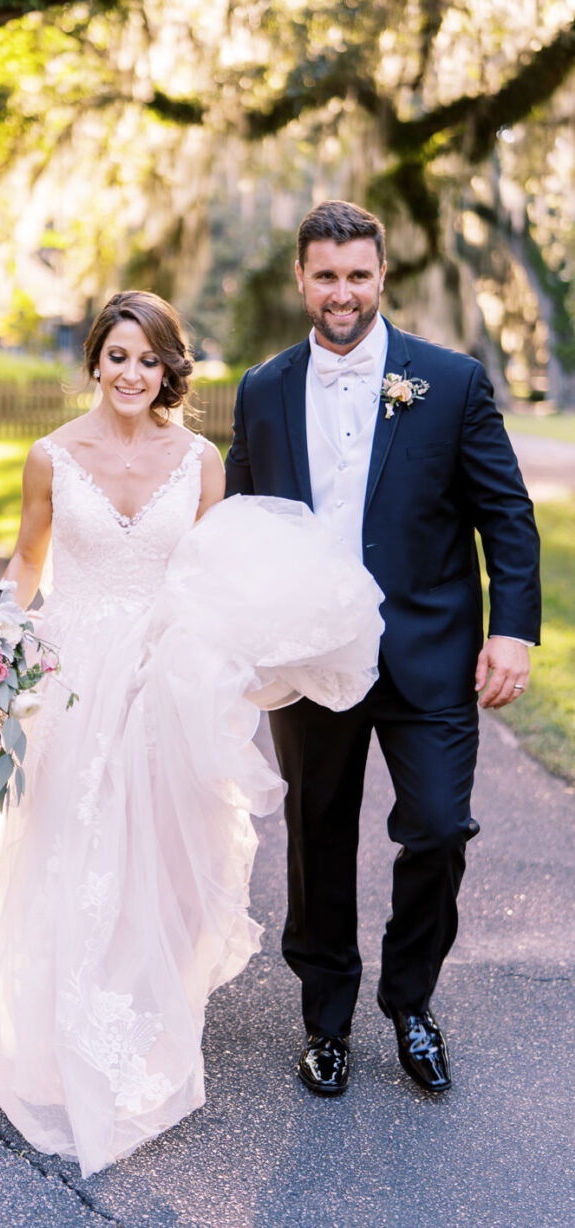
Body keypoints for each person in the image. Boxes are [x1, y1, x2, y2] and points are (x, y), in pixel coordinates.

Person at [0, 290, 384, 1176]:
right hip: (75, 674)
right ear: (94, 361)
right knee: (72, 840)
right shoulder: (49, 458)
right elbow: (28, 559)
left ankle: (143, 1001)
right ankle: (66, 1017)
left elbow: (210, 573)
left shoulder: (201, 460)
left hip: (165, 674)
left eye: (148, 360)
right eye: (117, 356)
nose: (131, 374)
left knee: (164, 845)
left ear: (169, 370)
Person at [225, 199, 542, 1097]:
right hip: (307, 658)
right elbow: (244, 524)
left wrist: (511, 628)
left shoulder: (449, 380)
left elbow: (504, 516)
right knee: (315, 837)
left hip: (428, 652)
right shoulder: (262, 388)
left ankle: (411, 1003)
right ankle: (324, 1020)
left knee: (438, 827)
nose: (341, 292)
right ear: (301, 279)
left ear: (381, 277)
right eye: (324, 275)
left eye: (357, 275)